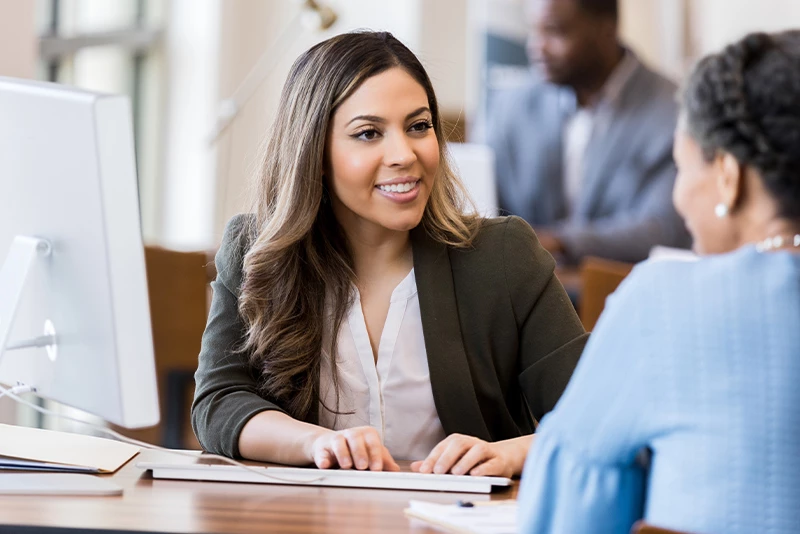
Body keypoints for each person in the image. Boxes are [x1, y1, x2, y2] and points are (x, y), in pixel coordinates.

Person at [191, 31, 588, 478]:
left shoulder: (503, 255)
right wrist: (317, 442)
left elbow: (598, 416)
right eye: (368, 133)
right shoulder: (255, 248)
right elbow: (219, 401)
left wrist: (510, 454)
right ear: (315, 152)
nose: (403, 154)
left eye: (419, 126)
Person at [518, 30, 800, 533]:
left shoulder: (666, 300)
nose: (678, 196)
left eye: (682, 166)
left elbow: (574, 508)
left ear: (728, 176)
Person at [487, 0, 689, 264]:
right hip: (521, 292)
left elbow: (662, 228)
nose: (537, 47)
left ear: (606, 30)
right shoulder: (512, 107)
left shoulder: (673, 110)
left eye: (555, 32)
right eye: (534, 31)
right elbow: (485, 205)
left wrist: (561, 241)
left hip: (620, 288)